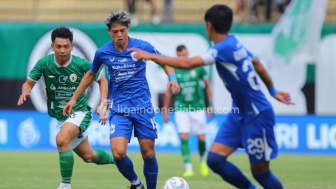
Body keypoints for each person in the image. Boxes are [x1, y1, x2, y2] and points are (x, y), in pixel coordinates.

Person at [129, 4, 295, 189]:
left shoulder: (222, 48)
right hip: (238, 113)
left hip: (257, 115)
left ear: (209, 25)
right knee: (215, 160)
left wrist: (152, 56)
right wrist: (273, 91)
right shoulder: (233, 43)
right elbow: (257, 63)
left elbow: (188, 63)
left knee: (260, 172)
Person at [63, 10, 180, 189]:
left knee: (148, 153)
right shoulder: (102, 53)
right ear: (109, 31)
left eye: (123, 30)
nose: (119, 34)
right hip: (119, 109)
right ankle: (135, 182)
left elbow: (163, 61)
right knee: (118, 153)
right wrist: (73, 98)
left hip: (143, 107)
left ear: (128, 29)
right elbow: (90, 75)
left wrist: (172, 78)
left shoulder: (142, 46)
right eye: (115, 31)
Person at [17, 27, 115, 189]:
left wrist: (103, 103)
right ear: (52, 47)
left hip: (80, 111)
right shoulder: (44, 63)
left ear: (72, 46)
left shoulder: (80, 64)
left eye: (66, 46)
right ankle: (118, 160)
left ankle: (65, 185)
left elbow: (102, 80)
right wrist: (26, 92)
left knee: (61, 139)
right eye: (59, 46)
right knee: (89, 156)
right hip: (61, 116)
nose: (62, 50)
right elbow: (28, 84)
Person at [162, 45, 213, 177]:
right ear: (177, 56)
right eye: (180, 56)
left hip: (198, 108)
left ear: (188, 54)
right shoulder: (174, 71)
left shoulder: (197, 67)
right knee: (184, 139)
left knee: (202, 140)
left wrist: (210, 104)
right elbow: (168, 93)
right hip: (182, 109)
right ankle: (188, 167)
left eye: (185, 55)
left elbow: (208, 85)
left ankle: (202, 160)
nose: (183, 58)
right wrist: (165, 110)